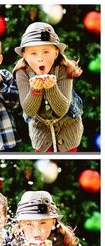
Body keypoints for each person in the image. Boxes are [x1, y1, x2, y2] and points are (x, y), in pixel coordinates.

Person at [13, 22, 84, 152]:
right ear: (24, 55)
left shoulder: (64, 69)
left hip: (68, 130)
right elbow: (29, 111)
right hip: (41, 133)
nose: (40, 59)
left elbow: (62, 109)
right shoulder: (22, 73)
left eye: (46, 52)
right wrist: (35, 90)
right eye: (33, 53)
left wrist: (52, 87)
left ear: (56, 53)